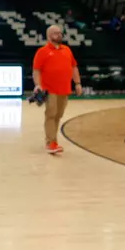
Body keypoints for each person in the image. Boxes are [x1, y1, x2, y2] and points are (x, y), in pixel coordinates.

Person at [32, 25, 82, 154]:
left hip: (64, 89)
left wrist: (77, 83)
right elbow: (36, 70)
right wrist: (38, 85)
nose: (59, 35)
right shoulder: (42, 51)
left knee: (58, 115)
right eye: (55, 33)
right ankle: (51, 142)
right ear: (49, 36)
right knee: (51, 114)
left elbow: (74, 67)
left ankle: (53, 140)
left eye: (60, 33)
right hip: (49, 89)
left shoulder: (67, 50)